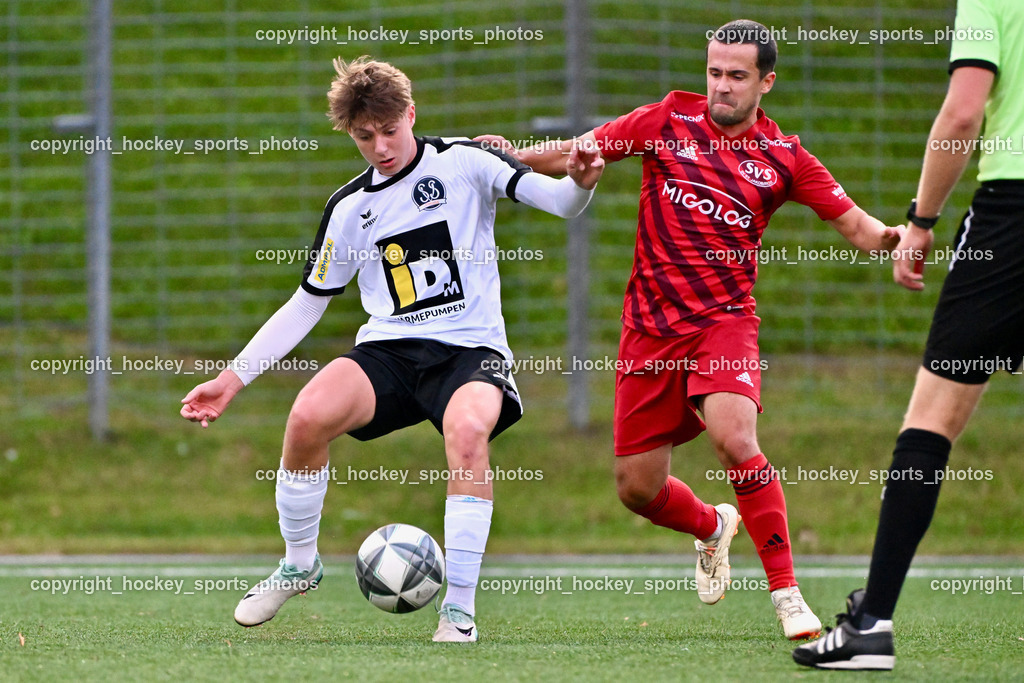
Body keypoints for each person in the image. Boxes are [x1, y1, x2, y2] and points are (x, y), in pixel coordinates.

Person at [478, 19, 902, 640]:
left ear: (766, 83)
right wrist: (507, 155)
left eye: (737, 76)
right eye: (714, 72)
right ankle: (712, 526)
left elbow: (860, 228)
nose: (722, 86)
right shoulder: (666, 120)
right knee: (637, 489)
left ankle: (786, 594)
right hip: (649, 329)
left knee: (736, 438)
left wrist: (897, 239)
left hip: (723, 323)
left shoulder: (785, 159)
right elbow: (582, 150)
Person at [180, 56, 604, 643]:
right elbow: (307, 304)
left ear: (411, 114)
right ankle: (299, 565)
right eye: (363, 137)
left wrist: (580, 182)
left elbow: (559, 202)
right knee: (306, 417)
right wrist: (231, 380)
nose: (380, 147)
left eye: (389, 130)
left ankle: (458, 609)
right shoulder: (350, 208)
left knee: (467, 434)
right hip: (391, 351)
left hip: (470, 352)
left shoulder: (464, 161)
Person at [794, 0, 1023, 670]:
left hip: (1013, 217)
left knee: (931, 421)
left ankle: (871, 625)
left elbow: (963, 113)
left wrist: (921, 222)